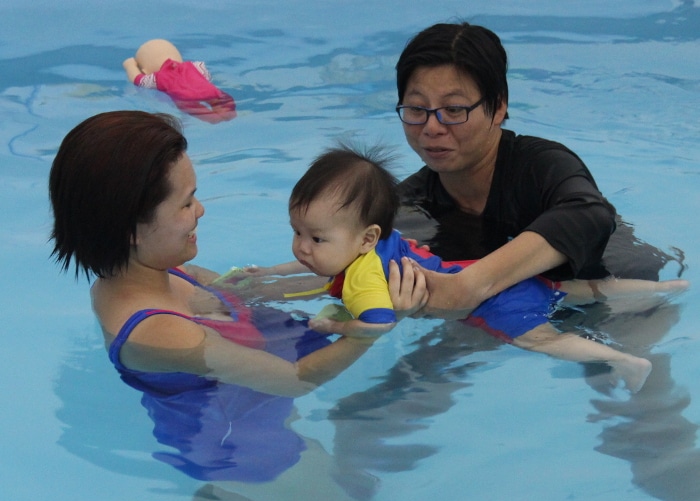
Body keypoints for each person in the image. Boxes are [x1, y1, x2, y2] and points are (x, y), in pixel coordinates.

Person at [48, 110, 425, 400]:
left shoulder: (162, 272)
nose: (201, 211)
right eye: (185, 203)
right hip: (240, 447)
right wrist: (374, 327)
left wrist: (361, 284)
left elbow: (253, 291)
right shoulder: (162, 333)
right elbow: (295, 381)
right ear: (131, 230)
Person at [252, 144, 687, 392]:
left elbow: (375, 325)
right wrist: (273, 270)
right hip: (479, 271)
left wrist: (337, 329)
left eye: (314, 238)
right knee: (577, 290)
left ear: (365, 238)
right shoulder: (368, 237)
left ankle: (623, 361)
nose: (302, 248)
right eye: (297, 234)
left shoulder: (366, 279)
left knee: (544, 339)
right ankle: (666, 289)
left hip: (486, 304)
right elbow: (323, 264)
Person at [392, 22, 684, 317]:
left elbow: (592, 215)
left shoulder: (541, 166)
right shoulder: (407, 207)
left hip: (629, 290)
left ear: (498, 108)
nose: (432, 127)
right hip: (524, 304)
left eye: (454, 110)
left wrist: (472, 284)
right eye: (417, 109)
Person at [123, 39, 237, 123]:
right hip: (208, 90)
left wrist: (130, 65)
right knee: (218, 97)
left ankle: (214, 119)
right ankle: (228, 113)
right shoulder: (195, 66)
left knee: (197, 110)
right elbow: (207, 77)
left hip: (185, 99)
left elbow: (137, 80)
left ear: (146, 71)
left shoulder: (157, 78)